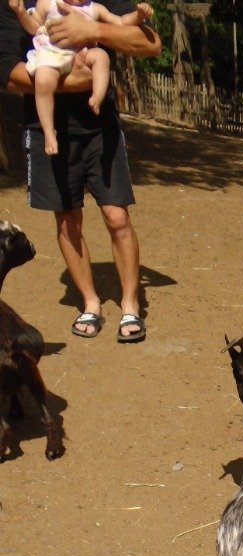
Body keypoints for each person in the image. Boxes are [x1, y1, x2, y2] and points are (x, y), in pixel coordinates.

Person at [0, 0, 161, 342]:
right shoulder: (21, 4)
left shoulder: (93, 3)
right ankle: (90, 304)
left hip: (100, 127)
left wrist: (94, 31)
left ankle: (130, 304)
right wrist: (77, 80)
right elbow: (12, 77)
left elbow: (150, 43)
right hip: (47, 130)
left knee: (117, 216)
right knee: (67, 219)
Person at [9, 0, 153, 157]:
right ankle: (49, 130)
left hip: (83, 53)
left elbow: (121, 21)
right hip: (53, 54)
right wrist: (21, 12)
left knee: (102, 57)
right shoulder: (47, 3)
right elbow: (34, 28)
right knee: (43, 80)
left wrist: (138, 16)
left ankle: (97, 96)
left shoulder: (95, 8)